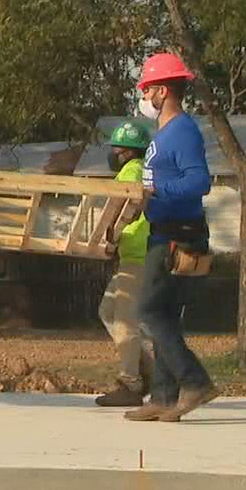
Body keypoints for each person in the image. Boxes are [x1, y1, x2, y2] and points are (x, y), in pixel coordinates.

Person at [124, 53, 218, 423]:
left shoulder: (182, 132)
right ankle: (163, 397)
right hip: (163, 233)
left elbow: (199, 182)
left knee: (148, 310)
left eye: (146, 90)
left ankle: (195, 381)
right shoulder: (164, 134)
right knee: (164, 315)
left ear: (162, 91)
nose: (144, 98)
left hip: (177, 238)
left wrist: (154, 185)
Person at [95, 120, 154, 408]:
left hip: (136, 256)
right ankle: (151, 369)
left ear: (129, 152)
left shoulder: (130, 172)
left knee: (125, 321)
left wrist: (106, 240)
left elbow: (114, 213)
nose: (113, 154)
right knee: (107, 311)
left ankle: (132, 382)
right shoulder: (146, 170)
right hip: (136, 253)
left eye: (117, 149)